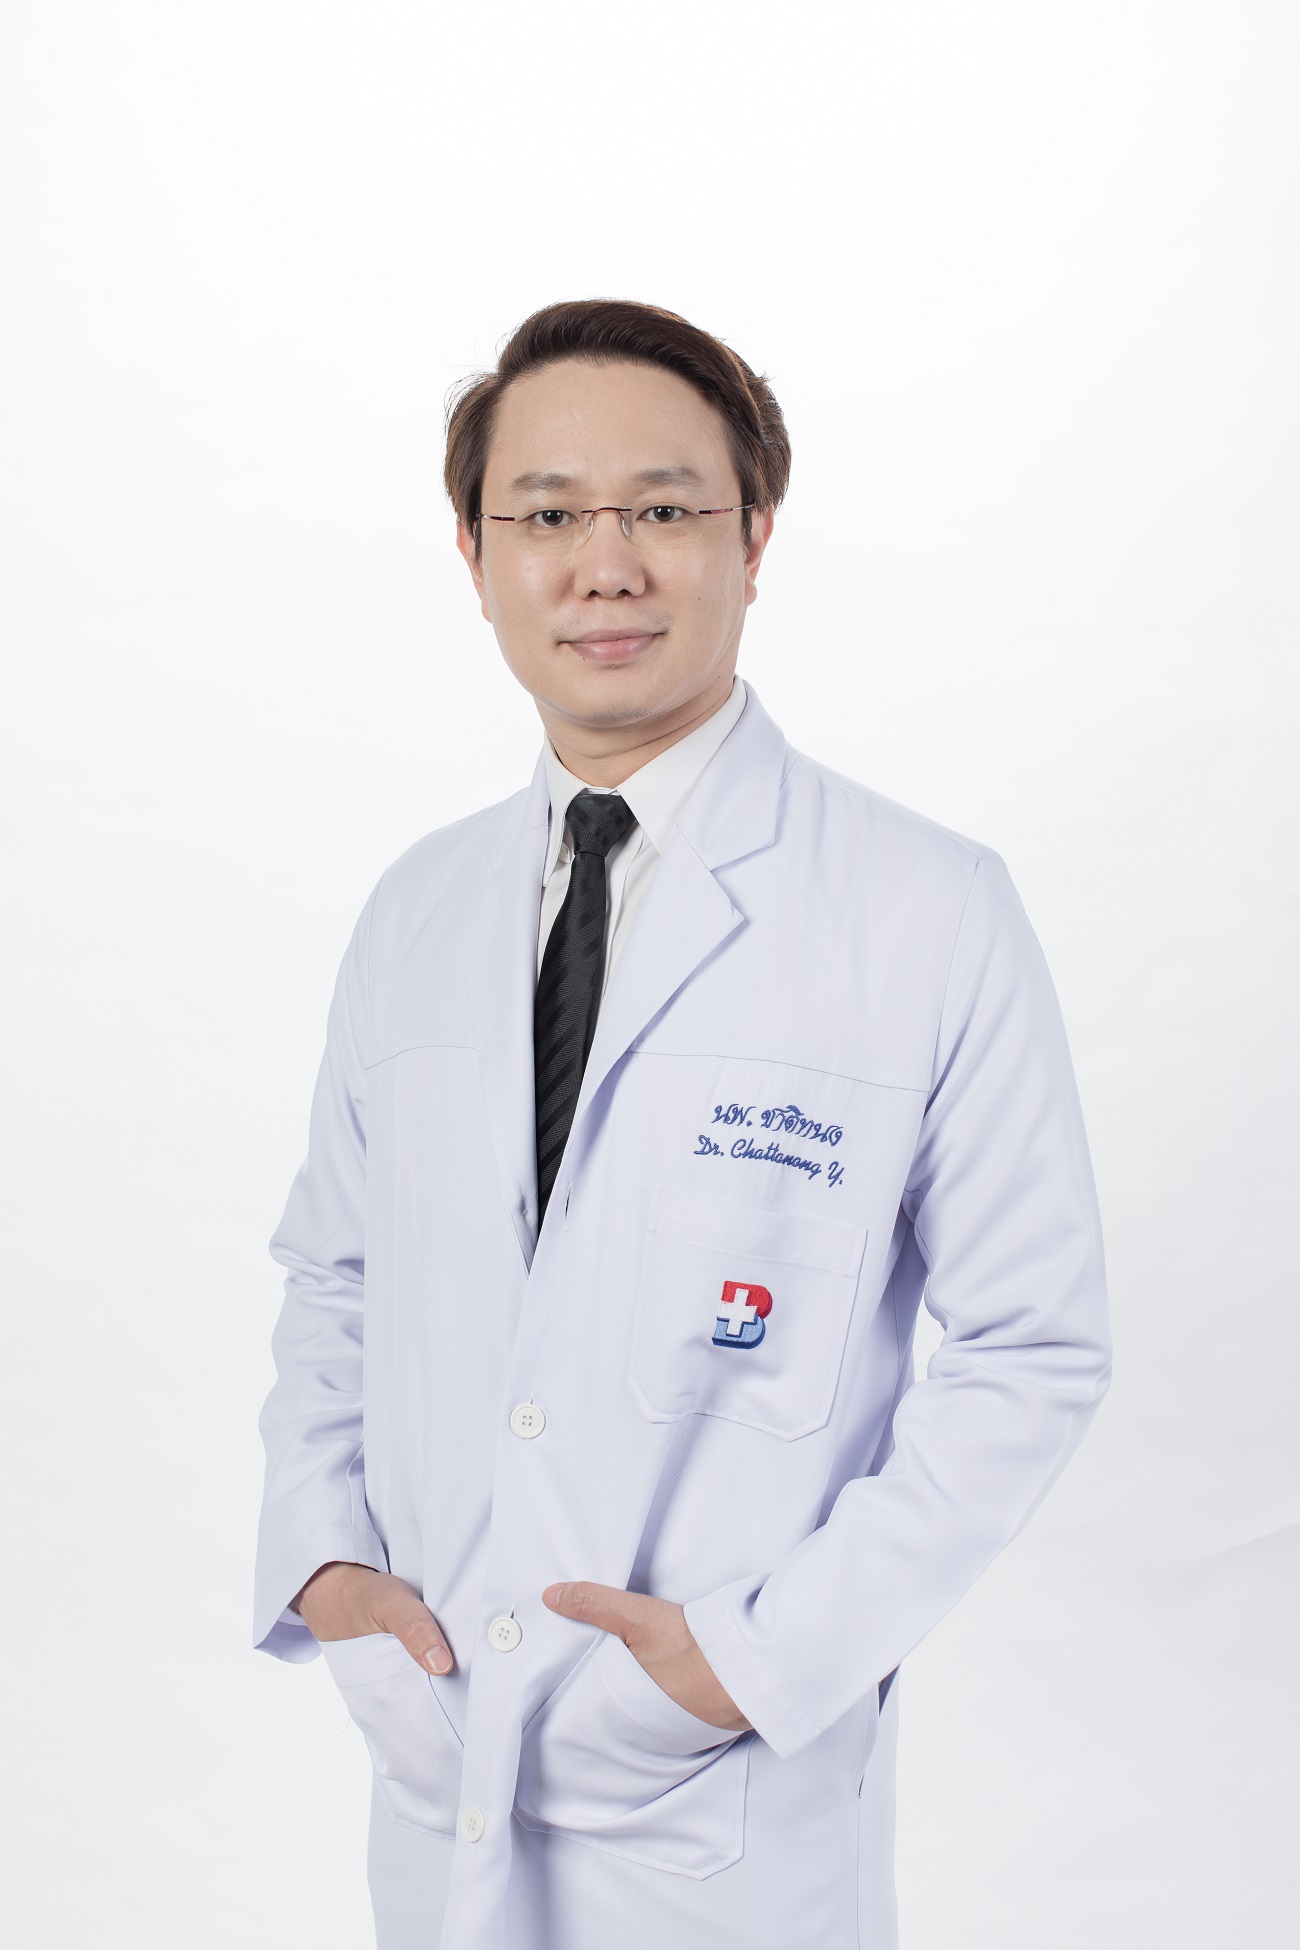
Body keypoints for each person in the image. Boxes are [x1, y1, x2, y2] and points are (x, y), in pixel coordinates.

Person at [252, 297, 1111, 1950]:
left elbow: (1033, 1343)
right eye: (547, 515)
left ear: (754, 536)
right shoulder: (417, 908)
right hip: (439, 1755)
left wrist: (760, 1656)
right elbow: (332, 1277)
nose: (606, 565)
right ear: (474, 553)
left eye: (662, 507)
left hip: (722, 1810)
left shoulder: (925, 908)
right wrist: (325, 1566)